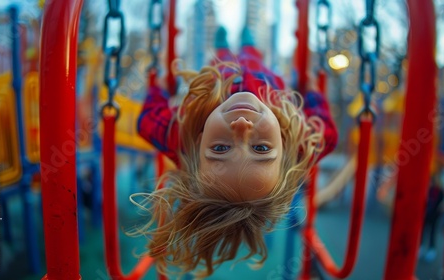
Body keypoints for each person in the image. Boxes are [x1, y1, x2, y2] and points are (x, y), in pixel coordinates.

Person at [132, 27, 337, 277]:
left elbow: (147, 122)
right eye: (261, 148)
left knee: (220, 57)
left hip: (219, 69)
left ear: (198, 144)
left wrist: (161, 90)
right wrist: (313, 92)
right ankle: (248, 43)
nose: (242, 126)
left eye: (220, 148)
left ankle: (222, 47)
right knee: (252, 54)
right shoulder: (301, 140)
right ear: (285, 148)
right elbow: (327, 135)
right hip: (257, 66)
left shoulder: (182, 133)